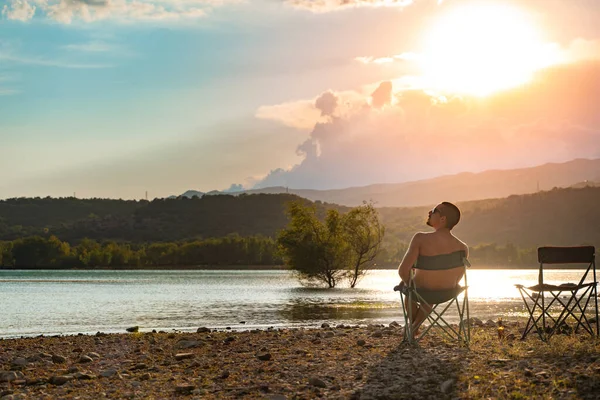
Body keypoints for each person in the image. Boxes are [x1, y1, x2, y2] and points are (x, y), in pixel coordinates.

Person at [397, 201, 468, 336]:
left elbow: (402, 271)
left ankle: (412, 327)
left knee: (408, 284)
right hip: (447, 293)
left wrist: (408, 281)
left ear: (442, 219)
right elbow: (457, 277)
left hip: (421, 291)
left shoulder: (420, 238)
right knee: (427, 291)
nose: (430, 212)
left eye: (434, 210)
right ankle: (414, 327)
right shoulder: (463, 247)